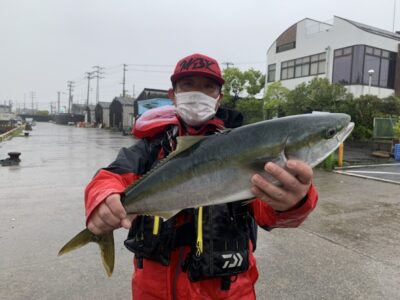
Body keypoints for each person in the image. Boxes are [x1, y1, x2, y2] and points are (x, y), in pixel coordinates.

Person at [84, 53, 318, 299]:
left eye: (208, 87)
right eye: (188, 85)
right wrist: (102, 199)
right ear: (172, 94)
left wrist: (295, 202)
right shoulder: (151, 148)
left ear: (219, 98)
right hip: (152, 292)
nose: (198, 93)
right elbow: (109, 177)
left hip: (228, 292)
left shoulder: (243, 147)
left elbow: (268, 212)